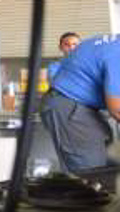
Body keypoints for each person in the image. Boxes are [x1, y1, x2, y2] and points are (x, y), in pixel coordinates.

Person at [41, 34, 120, 173]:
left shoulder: (110, 43)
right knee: (92, 172)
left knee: (108, 164)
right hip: (70, 105)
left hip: (82, 107)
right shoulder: (116, 53)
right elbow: (117, 109)